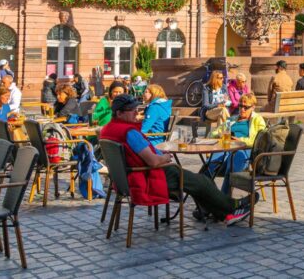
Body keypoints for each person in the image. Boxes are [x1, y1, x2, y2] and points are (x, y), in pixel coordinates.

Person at [100, 94, 250, 226]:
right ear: (119, 113)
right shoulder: (129, 132)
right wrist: (165, 157)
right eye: (132, 110)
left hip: (126, 181)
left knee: (196, 183)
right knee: (202, 181)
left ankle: (224, 214)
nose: (136, 112)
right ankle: (233, 207)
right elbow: (153, 161)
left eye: (136, 108)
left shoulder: (107, 130)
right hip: (147, 178)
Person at [206, 92, 268, 192]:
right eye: (240, 106)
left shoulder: (257, 120)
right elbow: (214, 133)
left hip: (242, 150)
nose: (242, 109)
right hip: (225, 147)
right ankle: (206, 198)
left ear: (253, 107)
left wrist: (240, 141)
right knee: (208, 166)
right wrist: (218, 134)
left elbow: (259, 140)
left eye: (245, 107)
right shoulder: (232, 119)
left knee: (231, 166)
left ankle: (223, 199)